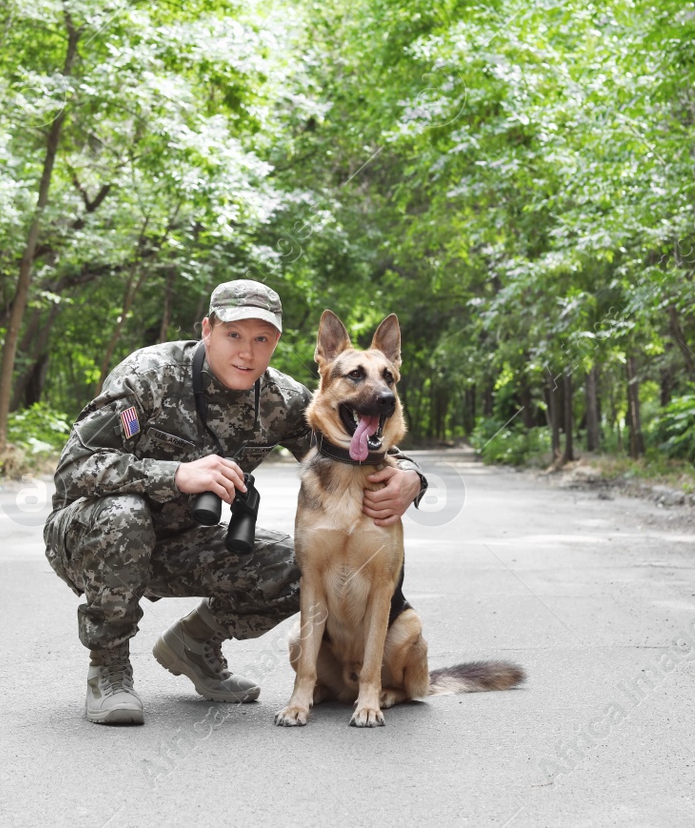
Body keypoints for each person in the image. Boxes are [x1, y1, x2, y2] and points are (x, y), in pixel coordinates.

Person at [42, 279, 428, 725]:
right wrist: (176, 475)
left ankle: (194, 643)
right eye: (234, 335)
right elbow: (74, 468)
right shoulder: (147, 375)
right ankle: (108, 667)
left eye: (261, 339)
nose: (247, 352)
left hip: (182, 539)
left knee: (295, 565)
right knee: (124, 514)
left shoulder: (280, 398)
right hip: (93, 534)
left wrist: (413, 477)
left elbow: (349, 446)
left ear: (276, 345)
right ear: (207, 329)